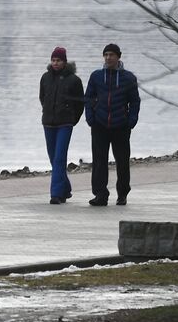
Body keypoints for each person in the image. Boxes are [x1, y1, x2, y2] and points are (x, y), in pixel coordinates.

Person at [83, 42, 140, 206]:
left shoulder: (128, 78)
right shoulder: (96, 76)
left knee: (122, 161)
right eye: (106, 55)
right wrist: (90, 118)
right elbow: (88, 98)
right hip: (99, 124)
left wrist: (131, 121)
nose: (108, 58)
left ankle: (122, 193)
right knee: (99, 161)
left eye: (111, 55)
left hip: (121, 125)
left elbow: (135, 102)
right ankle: (100, 194)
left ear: (118, 57)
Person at [39, 46, 85, 205]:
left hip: (65, 124)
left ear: (64, 62)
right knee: (53, 158)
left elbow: (80, 104)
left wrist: (72, 119)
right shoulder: (45, 77)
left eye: (58, 60)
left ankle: (56, 194)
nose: (55, 63)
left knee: (59, 158)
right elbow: (42, 97)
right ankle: (65, 188)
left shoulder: (74, 80)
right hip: (48, 123)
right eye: (53, 60)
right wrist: (47, 111)